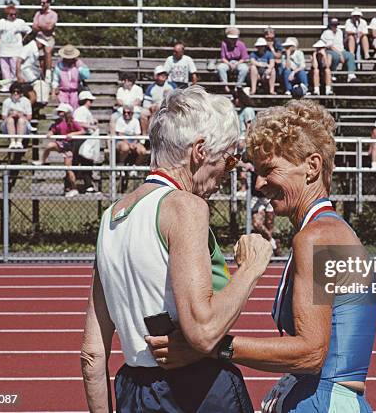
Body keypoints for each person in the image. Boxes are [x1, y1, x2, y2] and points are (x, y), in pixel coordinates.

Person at [148, 99, 376, 413]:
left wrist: (209, 347)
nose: (258, 183)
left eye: (269, 169)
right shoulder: (326, 231)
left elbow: (311, 353)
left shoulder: (317, 236)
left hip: (325, 402)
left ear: (312, 166)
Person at [81, 85, 272, 412]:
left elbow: (92, 353)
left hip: (133, 389)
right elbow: (203, 332)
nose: (227, 172)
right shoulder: (185, 206)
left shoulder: (111, 217)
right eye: (228, 160)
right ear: (200, 150)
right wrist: (252, 268)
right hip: (194, 388)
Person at [33, 103, 85, 197]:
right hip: (60, 144)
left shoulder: (72, 122)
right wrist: (50, 133)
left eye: (61, 111)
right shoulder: (57, 122)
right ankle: (42, 161)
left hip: (69, 147)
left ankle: (74, 188)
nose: (59, 113)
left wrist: (73, 134)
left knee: (68, 168)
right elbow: (53, 130)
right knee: (49, 145)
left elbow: (82, 131)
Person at [0, 4, 31, 92]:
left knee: (15, 68)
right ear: (7, 14)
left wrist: (23, 41)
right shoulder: (2, 22)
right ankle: (6, 86)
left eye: (15, 14)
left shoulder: (20, 22)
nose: (13, 16)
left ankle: (16, 85)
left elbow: (29, 31)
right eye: (11, 14)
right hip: (3, 49)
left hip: (16, 50)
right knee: (4, 69)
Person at [73, 91, 99, 193]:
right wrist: (91, 126)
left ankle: (88, 185)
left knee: (87, 161)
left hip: (86, 138)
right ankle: (71, 185)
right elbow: (78, 123)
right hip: (81, 138)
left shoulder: (85, 111)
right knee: (81, 161)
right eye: (90, 100)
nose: (91, 102)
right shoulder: (81, 110)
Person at [52, 44, 90, 110]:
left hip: (75, 91)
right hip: (63, 91)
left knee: (75, 108)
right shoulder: (59, 66)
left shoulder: (79, 64)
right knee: (64, 109)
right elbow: (55, 80)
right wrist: (53, 92)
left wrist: (79, 68)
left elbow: (86, 76)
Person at [140, 66, 175, 135]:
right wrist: (151, 106)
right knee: (143, 113)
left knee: (156, 112)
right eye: (160, 74)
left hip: (169, 108)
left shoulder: (172, 86)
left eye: (164, 74)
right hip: (154, 108)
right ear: (156, 76)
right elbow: (146, 103)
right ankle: (144, 136)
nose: (163, 76)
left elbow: (177, 99)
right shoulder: (151, 88)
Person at [320, 18, 357, 82]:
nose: (335, 26)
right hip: (330, 51)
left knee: (350, 55)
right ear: (330, 25)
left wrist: (348, 38)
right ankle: (333, 73)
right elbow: (330, 46)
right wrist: (340, 54)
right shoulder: (326, 33)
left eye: (336, 25)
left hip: (341, 50)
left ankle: (351, 74)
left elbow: (342, 42)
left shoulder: (339, 31)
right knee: (335, 57)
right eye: (333, 25)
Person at [109, 71, 144, 136]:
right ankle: (113, 139)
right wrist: (126, 106)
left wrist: (129, 107)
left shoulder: (138, 89)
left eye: (125, 81)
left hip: (134, 111)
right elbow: (119, 101)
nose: (123, 82)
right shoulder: (120, 90)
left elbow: (138, 101)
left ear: (130, 81)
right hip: (122, 110)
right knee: (113, 117)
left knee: (134, 119)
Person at [32, 0, 58, 83]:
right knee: (40, 57)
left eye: (44, 2)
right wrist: (45, 26)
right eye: (41, 2)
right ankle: (41, 75)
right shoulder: (38, 14)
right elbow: (34, 27)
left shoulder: (53, 14)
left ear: (48, 3)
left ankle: (48, 74)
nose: (42, 4)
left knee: (48, 51)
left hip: (49, 38)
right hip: (39, 37)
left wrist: (40, 26)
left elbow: (50, 28)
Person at [217, 26, 250, 93]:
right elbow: (223, 57)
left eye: (234, 38)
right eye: (231, 38)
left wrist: (237, 64)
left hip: (239, 62)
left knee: (244, 68)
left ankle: (238, 86)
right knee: (220, 67)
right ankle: (225, 85)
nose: (233, 40)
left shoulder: (241, 44)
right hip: (227, 62)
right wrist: (229, 64)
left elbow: (244, 57)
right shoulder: (224, 44)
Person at [1, 83, 32, 149]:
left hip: (23, 124)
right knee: (10, 120)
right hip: (8, 125)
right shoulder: (7, 101)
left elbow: (29, 117)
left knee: (21, 120)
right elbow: (3, 117)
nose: (15, 93)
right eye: (13, 91)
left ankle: (19, 142)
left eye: (18, 92)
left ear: (21, 93)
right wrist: (11, 115)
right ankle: (12, 142)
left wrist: (20, 115)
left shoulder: (26, 101)